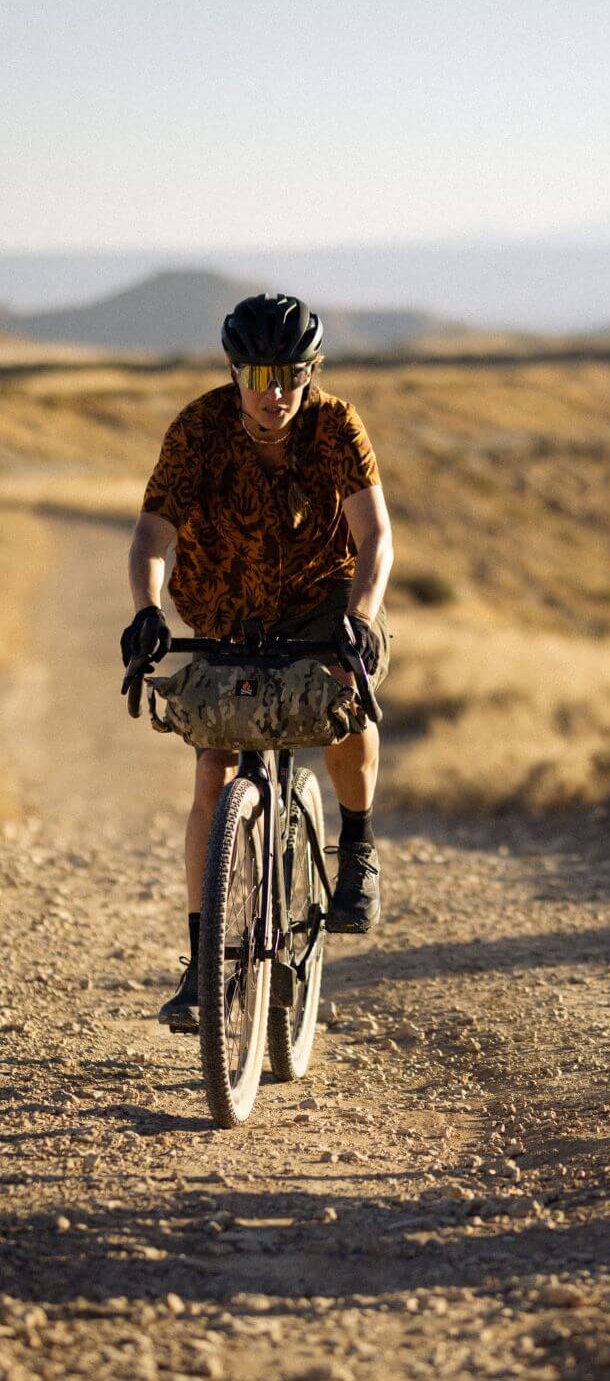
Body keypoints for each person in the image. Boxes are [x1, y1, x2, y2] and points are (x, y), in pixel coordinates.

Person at [122, 293, 394, 1031]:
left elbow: (376, 537)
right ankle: (201, 966)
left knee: (347, 698)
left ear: (313, 370)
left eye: (291, 374)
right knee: (213, 771)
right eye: (259, 373)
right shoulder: (200, 428)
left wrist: (361, 621)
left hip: (320, 596)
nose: (274, 393)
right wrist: (147, 610)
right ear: (236, 371)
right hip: (224, 606)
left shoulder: (335, 424)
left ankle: (358, 848)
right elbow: (152, 532)